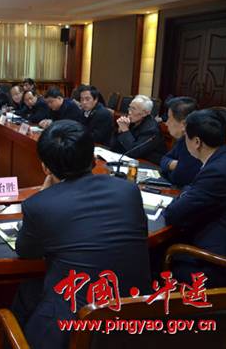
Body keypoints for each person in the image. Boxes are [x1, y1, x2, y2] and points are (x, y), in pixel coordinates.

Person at [14, 120, 151, 349]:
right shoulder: (127, 189)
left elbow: (26, 251)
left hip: (77, 326)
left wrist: (43, 195)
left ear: (45, 167)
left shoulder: (40, 205)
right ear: (93, 158)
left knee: (25, 295)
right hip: (136, 311)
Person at [164, 110, 226, 288]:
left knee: (153, 256)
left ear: (197, 142)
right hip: (214, 237)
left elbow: (173, 214)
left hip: (214, 263)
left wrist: (186, 193)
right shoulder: (223, 158)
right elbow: (193, 190)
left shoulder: (217, 171)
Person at [111, 95, 167, 164]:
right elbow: (113, 147)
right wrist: (120, 131)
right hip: (132, 161)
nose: (129, 112)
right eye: (129, 108)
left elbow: (135, 152)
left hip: (150, 164)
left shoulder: (151, 129)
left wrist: (125, 130)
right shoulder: (130, 122)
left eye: (133, 109)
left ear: (145, 113)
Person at [160, 97, 202, 188]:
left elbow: (178, 178)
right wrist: (173, 164)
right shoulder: (183, 139)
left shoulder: (196, 143)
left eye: (169, 118)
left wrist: (174, 167)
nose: (166, 123)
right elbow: (164, 159)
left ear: (183, 124)